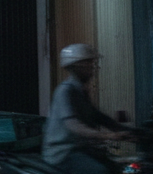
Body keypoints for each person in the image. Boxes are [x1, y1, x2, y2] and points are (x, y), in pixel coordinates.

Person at [43, 43, 134, 174]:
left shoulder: (81, 91)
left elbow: (100, 117)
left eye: (93, 63)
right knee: (100, 172)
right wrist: (107, 135)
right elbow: (73, 125)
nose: (93, 67)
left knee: (118, 168)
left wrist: (130, 131)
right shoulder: (65, 91)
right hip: (64, 153)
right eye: (88, 63)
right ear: (75, 66)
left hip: (82, 150)